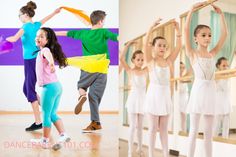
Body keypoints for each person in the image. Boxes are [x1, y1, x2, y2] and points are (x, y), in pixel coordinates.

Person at [56, 10, 118, 132]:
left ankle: (82, 95)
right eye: (103, 21)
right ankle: (96, 123)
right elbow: (116, 37)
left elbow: (66, 33)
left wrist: (51, 33)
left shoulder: (83, 34)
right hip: (103, 68)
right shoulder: (104, 32)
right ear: (100, 22)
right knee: (94, 96)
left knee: (81, 85)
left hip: (89, 67)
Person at [6, 1, 61, 131]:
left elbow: (14, 39)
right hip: (33, 60)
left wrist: (4, 41)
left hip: (31, 61)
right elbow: (47, 18)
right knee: (26, 89)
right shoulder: (37, 25)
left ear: (25, 15)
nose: (19, 17)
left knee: (29, 90)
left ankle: (38, 122)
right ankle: (50, 110)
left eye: (19, 15)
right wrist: (55, 12)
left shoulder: (24, 27)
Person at [184, 2, 227, 157]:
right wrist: (191, 11)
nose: (207, 38)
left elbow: (225, 35)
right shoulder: (192, 53)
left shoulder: (212, 53)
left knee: (209, 133)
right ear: (195, 38)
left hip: (211, 93)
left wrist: (221, 15)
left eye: (209, 35)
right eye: (203, 35)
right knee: (194, 131)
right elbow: (185, 29)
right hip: (198, 92)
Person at [144, 18, 181, 157]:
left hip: (165, 96)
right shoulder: (150, 61)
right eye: (159, 45)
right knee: (153, 128)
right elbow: (145, 44)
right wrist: (151, 27)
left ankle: (166, 154)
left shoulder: (169, 61)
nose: (162, 48)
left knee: (164, 129)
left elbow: (178, 48)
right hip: (153, 95)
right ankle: (151, 154)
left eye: (165, 46)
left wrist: (178, 31)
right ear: (153, 47)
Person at [31, 27, 70, 150]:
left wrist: (52, 64)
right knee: (52, 113)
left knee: (46, 114)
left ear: (47, 40)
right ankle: (63, 135)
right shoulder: (41, 51)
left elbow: (48, 55)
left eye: (42, 36)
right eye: (37, 35)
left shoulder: (45, 50)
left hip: (50, 88)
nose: (38, 38)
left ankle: (45, 141)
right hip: (56, 86)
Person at [120, 41, 148, 157]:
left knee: (140, 127)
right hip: (133, 100)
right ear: (133, 60)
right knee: (132, 127)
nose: (140, 62)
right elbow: (121, 59)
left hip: (143, 101)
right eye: (138, 60)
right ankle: (130, 151)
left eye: (142, 60)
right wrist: (128, 45)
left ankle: (140, 148)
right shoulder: (130, 71)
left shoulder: (146, 70)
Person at [214, 57, 231, 138]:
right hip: (218, 103)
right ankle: (213, 143)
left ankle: (226, 142)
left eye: (227, 65)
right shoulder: (216, 74)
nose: (226, 67)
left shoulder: (227, 75)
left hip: (226, 102)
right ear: (218, 66)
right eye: (224, 65)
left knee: (226, 126)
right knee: (216, 126)